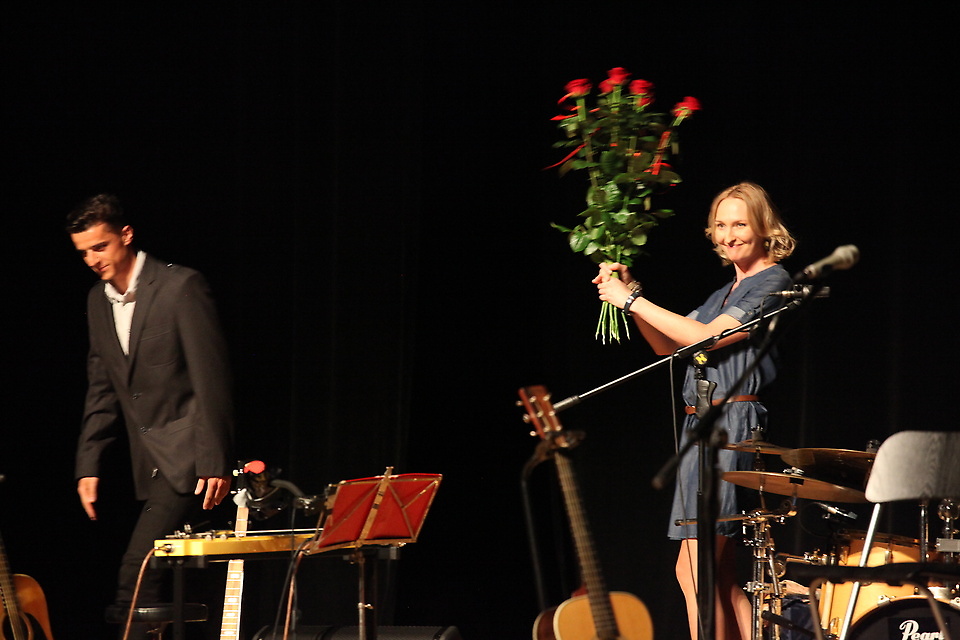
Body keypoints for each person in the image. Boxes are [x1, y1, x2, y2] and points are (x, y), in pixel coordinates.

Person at [593, 181, 796, 640]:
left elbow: (709, 338)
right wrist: (631, 295)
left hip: (729, 424)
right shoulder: (725, 291)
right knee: (716, 575)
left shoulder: (773, 280)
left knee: (695, 570)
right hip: (702, 424)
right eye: (721, 226)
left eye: (740, 224)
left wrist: (631, 300)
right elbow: (670, 345)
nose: (729, 235)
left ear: (765, 227)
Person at [66, 194, 235, 635]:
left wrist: (215, 460)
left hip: (191, 457)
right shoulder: (98, 301)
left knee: (136, 572)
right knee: (151, 578)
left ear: (126, 235)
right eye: (83, 252)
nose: (92, 260)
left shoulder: (180, 287)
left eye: (99, 247)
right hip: (150, 460)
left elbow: (211, 380)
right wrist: (89, 464)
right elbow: (102, 387)